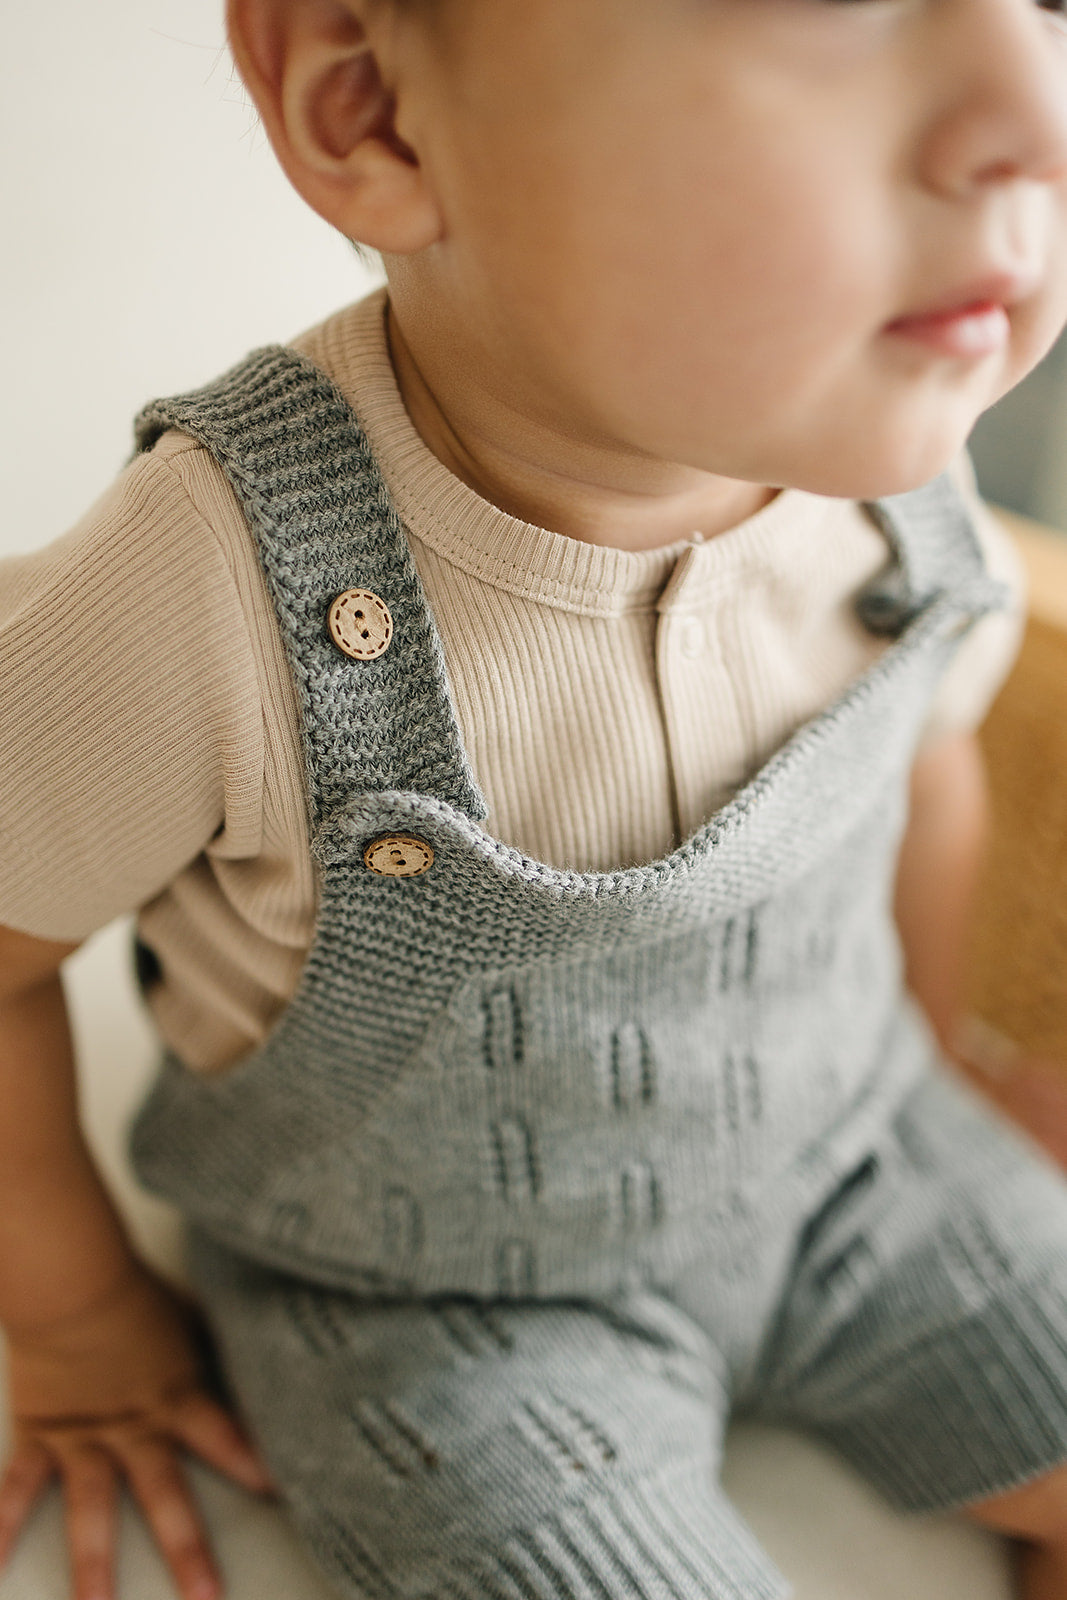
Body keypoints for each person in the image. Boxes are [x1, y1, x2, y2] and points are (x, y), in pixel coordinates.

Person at [2, 1, 1067, 1597]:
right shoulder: (212, 582)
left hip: (857, 1164)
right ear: (372, 107)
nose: (1036, 122)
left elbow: (922, 764)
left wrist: (935, 1068)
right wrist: (76, 1316)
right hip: (434, 1310)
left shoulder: (906, 444)